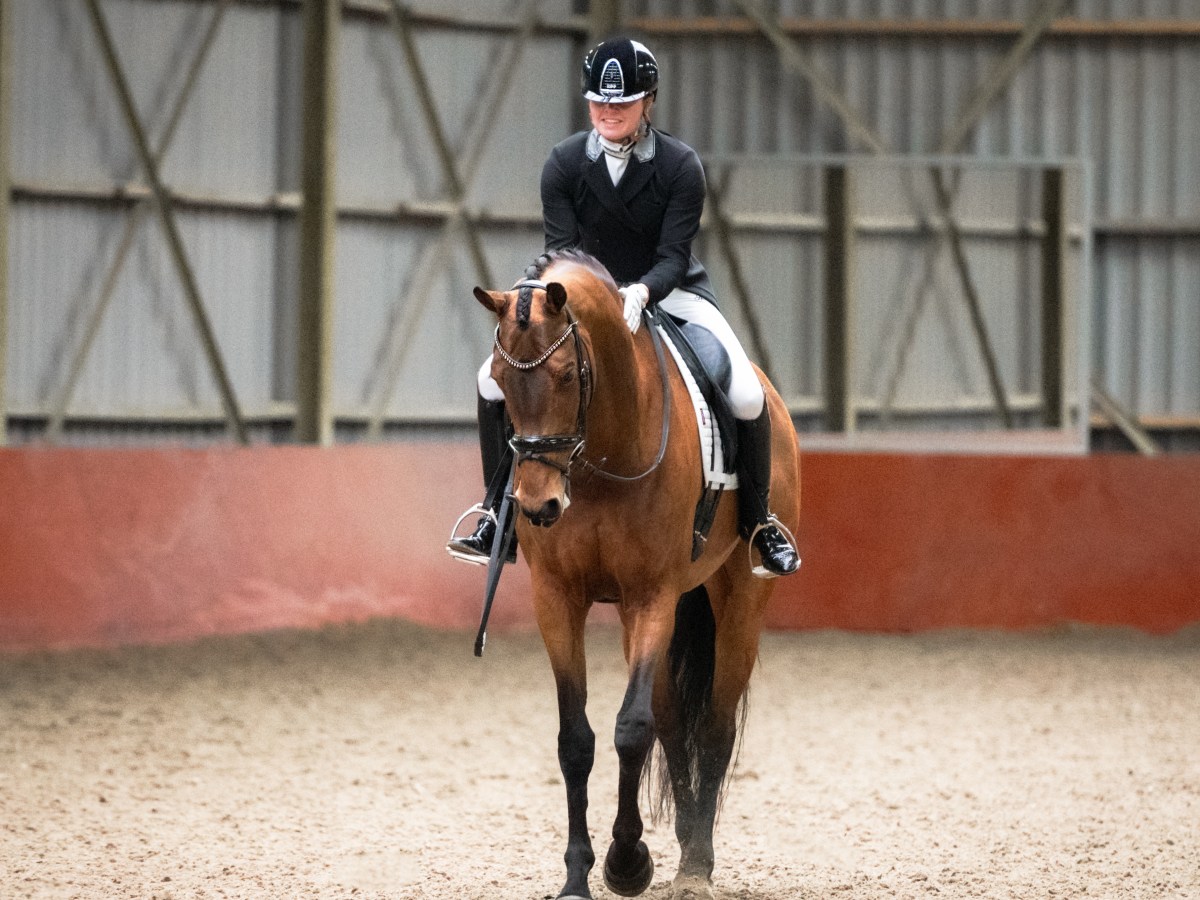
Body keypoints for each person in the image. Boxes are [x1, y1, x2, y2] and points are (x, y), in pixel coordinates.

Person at [449, 37, 798, 577]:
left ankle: (758, 523)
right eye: (599, 103)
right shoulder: (564, 164)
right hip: (581, 301)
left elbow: (674, 256)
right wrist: (575, 297)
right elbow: (561, 249)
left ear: (647, 102)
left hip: (670, 292)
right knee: (489, 380)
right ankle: (496, 514)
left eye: (622, 103)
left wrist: (641, 292)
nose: (608, 112)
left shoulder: (681, 166)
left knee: (748, 394)